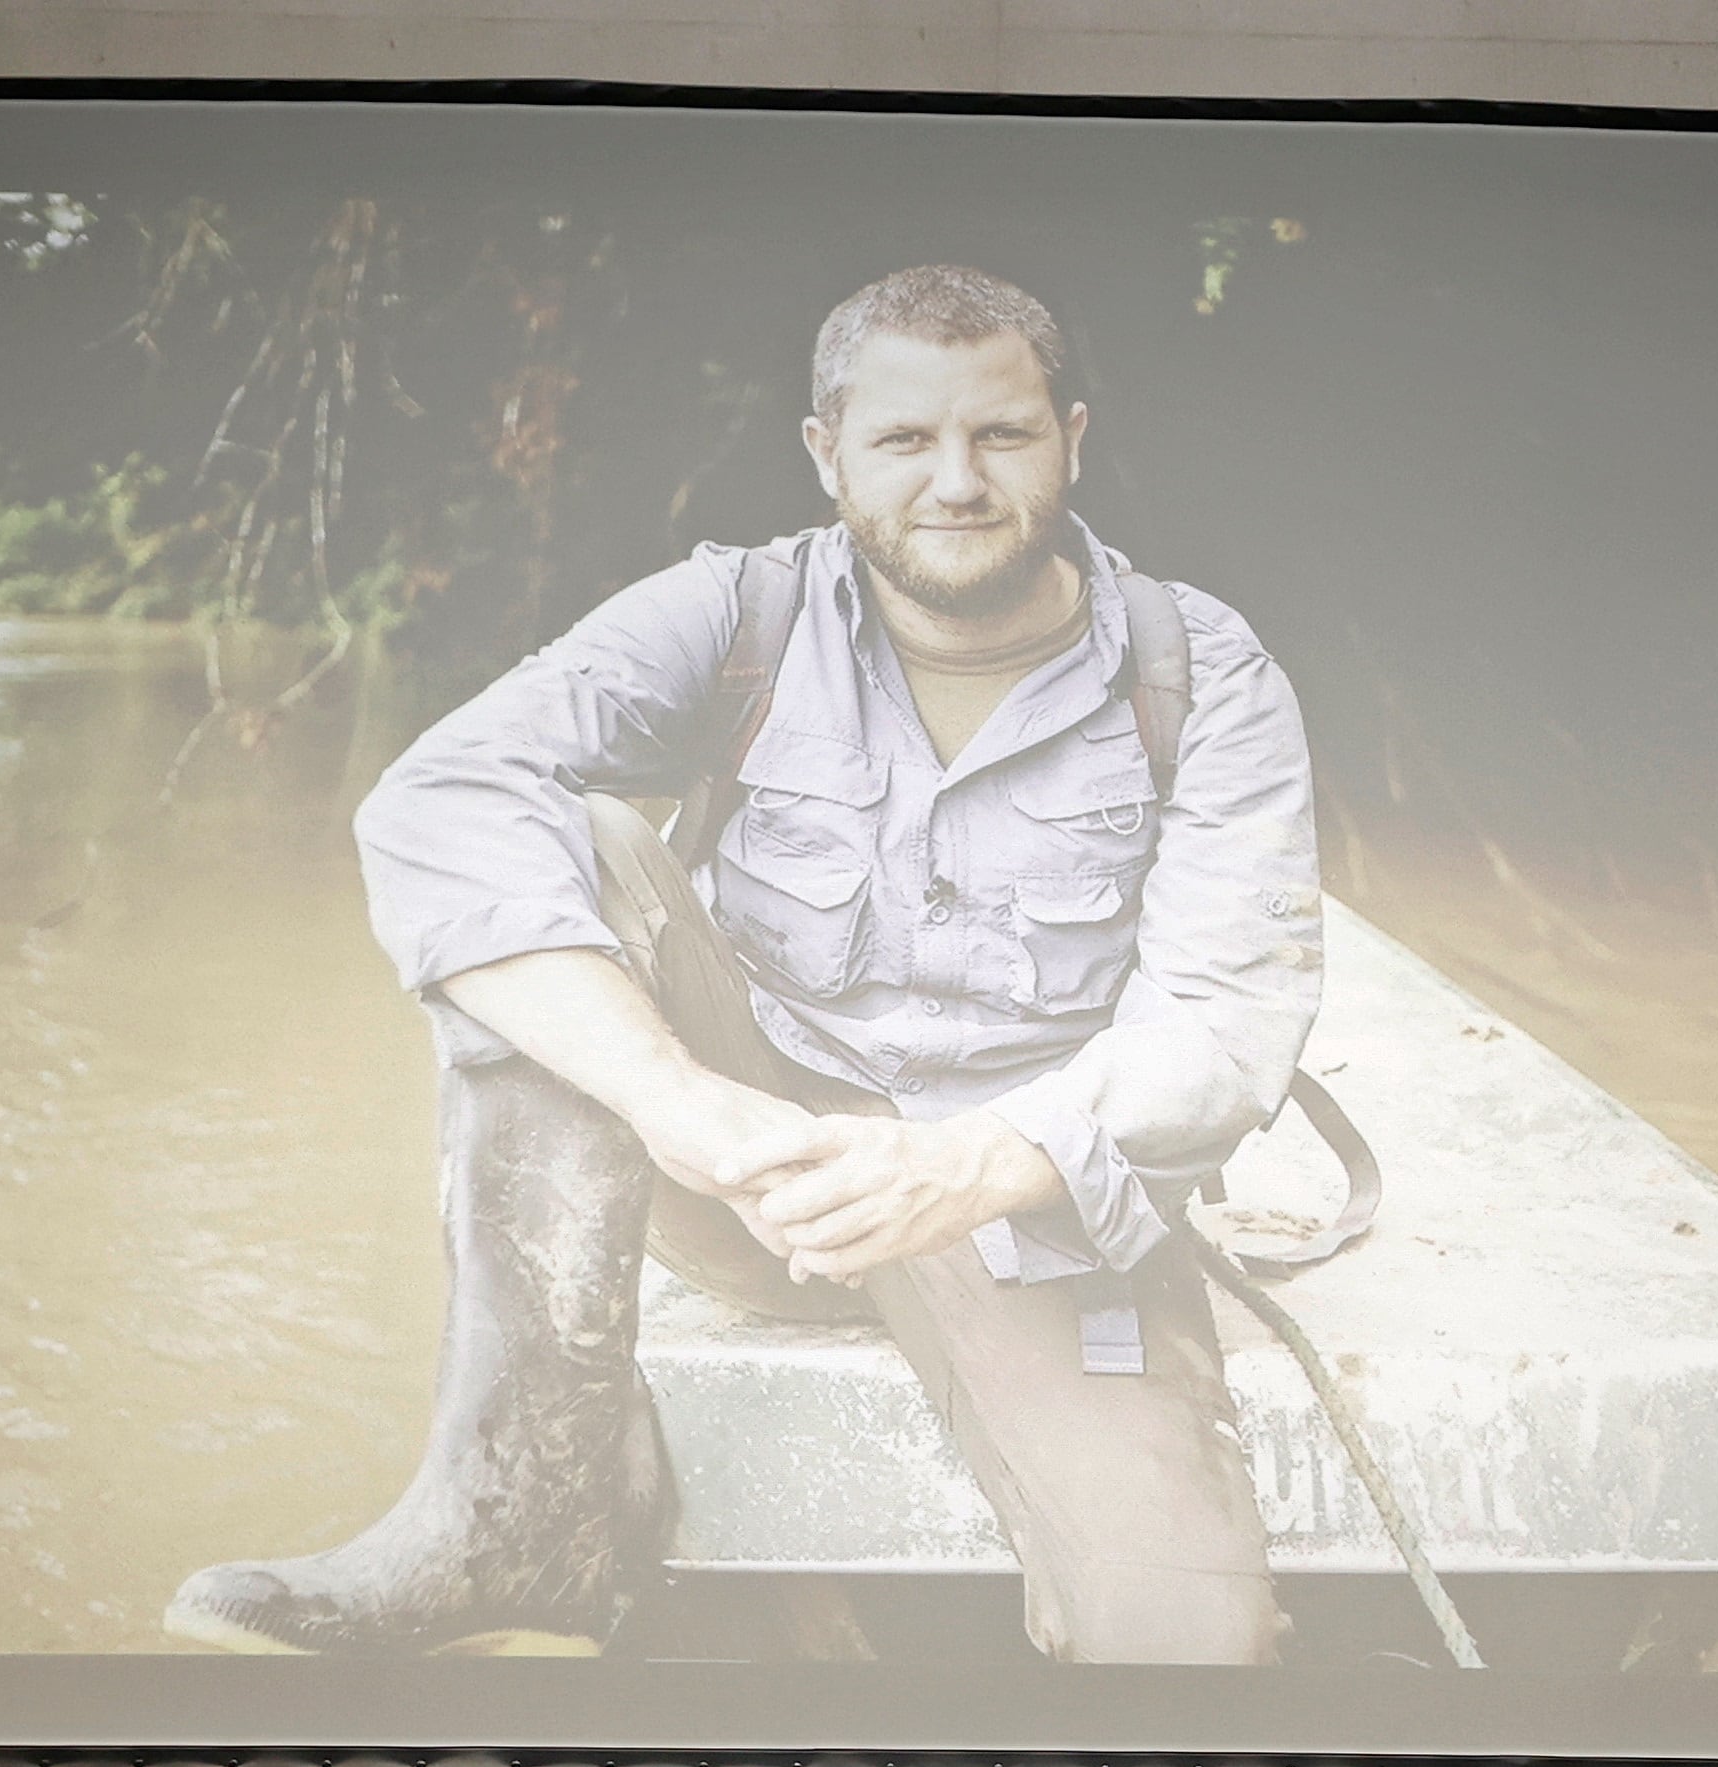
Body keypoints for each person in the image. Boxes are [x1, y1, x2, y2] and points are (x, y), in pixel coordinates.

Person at [169, 262, 1325, 1669]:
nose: (955, 480)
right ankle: (513, 1508)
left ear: (1073, 440)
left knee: (1186, 1651)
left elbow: (1224, 1015)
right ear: (828, 455)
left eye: (1002, 435)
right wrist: (683, 1102)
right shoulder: (740, 613)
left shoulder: (1201, 671)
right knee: (570, 837)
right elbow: (437, 797)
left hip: (1033, 1209)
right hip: (752, 1175)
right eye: (905, 439)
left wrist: (960, 1167)